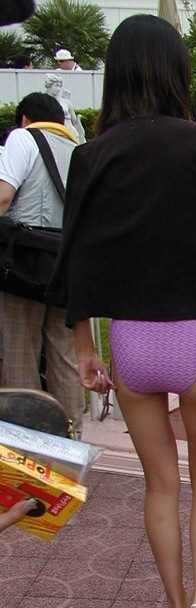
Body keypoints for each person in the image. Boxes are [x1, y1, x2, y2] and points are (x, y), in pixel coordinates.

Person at [48, 15, 196, 608]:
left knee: (161, 483)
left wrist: (84, 345)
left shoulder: (91, 155)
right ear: (176, 72)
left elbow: (76, 256)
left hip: (131, 339)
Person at [0, 93, 83, 436]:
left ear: (24, 119)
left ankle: (27, 438)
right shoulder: (78, 148)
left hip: (25, 263)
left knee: (20, 352)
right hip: (68, 263)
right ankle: (71, 436)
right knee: (65, 356)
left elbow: (3, 197)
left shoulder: (22, 138)